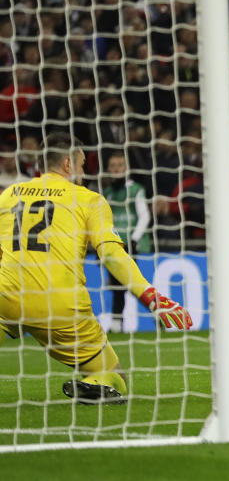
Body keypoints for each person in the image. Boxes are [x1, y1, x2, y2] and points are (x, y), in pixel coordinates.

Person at [0, 133, 192, 404]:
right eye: (80, 165)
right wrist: (151, 296)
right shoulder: (89, 200)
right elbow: (112, 255)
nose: (82, 172)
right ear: (68, 164)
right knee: (115, 378)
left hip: (7, 298)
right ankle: (96, 382)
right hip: (60, 306)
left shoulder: (9, 195)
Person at [101, 151, 152, 333]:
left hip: (130, 245)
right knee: (118, 284)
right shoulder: (106, 193)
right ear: (107, 169)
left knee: (130, 283)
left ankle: (158, 312)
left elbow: (144, 216)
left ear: (126, 168)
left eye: (119, 166)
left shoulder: (135, 189)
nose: (116, 169)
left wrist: (134, 239)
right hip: (113, 245)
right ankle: (116, 324)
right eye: (113, 166)